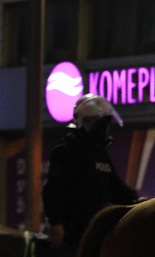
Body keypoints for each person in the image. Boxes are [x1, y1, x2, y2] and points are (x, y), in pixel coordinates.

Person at [43, 94, 140, 249]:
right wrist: (56, 223)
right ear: (88, 123)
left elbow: (116, 187)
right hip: (72, 236)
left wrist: (138, 200)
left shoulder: (100, 154)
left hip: (95, 233)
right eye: (102, 125)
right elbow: (53, 189)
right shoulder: (66, 151)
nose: (105, 130)